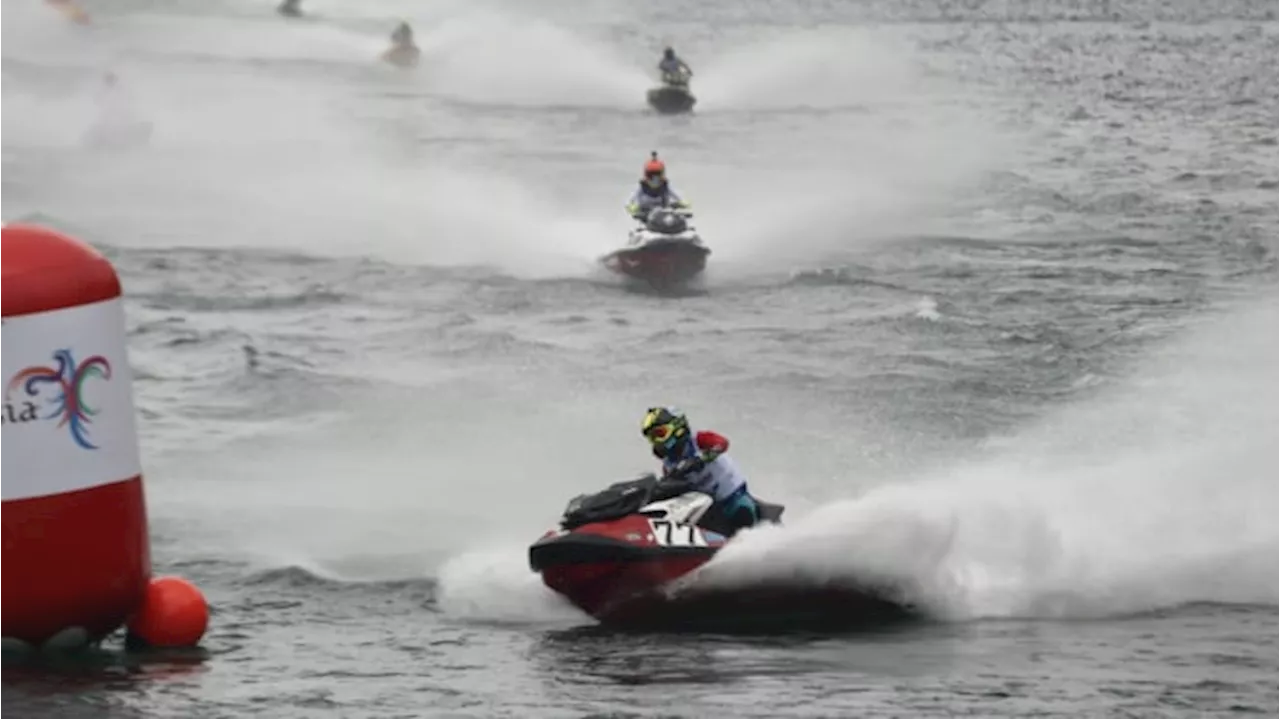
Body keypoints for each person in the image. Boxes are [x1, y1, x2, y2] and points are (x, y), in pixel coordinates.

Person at [640, 406, 760, 537]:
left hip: (731, 495)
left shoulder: (698, 439)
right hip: (703, 503)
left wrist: (701, 458)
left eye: (660, 434)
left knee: (743, 512)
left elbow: (722, 443)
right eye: (652, 438)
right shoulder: (668, 463)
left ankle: (750, 545)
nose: (656, 442)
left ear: (677, 428)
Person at [625, 152, 689, 220]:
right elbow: (633, 197)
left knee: (672, 205)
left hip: (662, 211)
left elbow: (673, 194)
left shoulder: (665, 186)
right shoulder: (643, 187)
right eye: (651, 176)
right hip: (646, 211)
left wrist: (681, 202)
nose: (655, 179)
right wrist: (631, 205)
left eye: (657, 176)